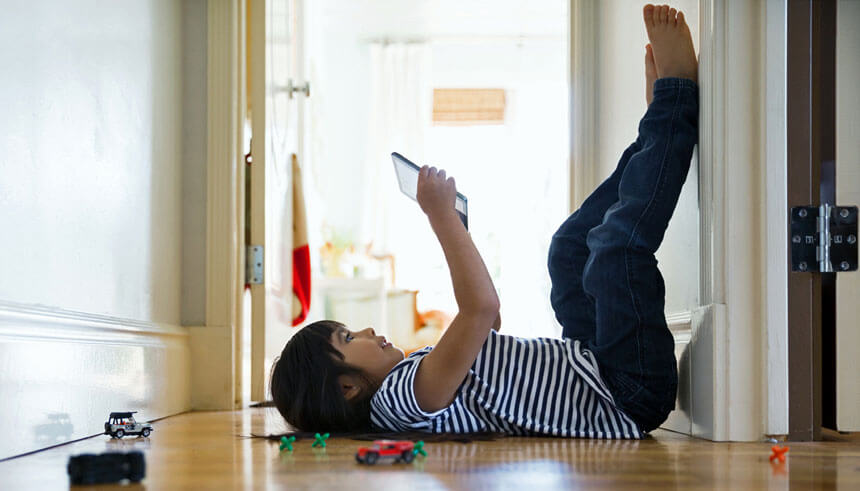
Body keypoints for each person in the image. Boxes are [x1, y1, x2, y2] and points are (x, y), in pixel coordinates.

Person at [270, 4, 699, 438]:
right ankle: (675, 101)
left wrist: (460, 235)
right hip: (625, 393)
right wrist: (441, 218)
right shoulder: (399, 400)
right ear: (347, 388)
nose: (364, 330)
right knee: (613, 252)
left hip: (593, 364)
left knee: (568, 250)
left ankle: (655, 132)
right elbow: (482, 310)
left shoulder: (412, 381)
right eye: (347, 339)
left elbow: (485, 329)